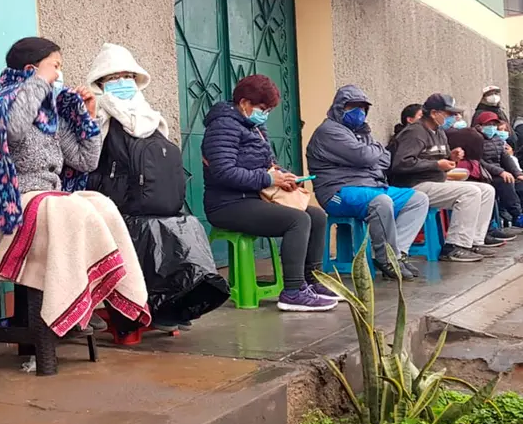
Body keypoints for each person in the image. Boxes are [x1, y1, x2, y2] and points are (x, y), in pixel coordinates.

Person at [0, 38, 151, 339]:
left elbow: (86, 162)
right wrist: (37, 85)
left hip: (45, 207)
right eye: (55, 66)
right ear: (31, 69)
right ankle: (69, 305)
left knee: (99, 204)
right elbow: (13, 128)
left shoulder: (52, 115)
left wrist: (86, 118)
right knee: (69, 208)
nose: (60, 73)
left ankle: (97, 300)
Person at [85, 43, 228, 333]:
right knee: (148, 233)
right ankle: (149, 308)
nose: (123, 82)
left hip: (152, 203)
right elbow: (89, 160)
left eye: (128, 76)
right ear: (100, 81)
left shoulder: (149, 115)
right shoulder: (96, 114)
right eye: (115, 77)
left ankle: (178, 302)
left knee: (187, 226)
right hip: (116, 202)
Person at [201, 75, 340, 312]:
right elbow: (224, 172)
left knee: (316, 216)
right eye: (262, 108)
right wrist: (268, 179)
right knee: (297, 220)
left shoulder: (255, 128)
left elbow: (268, 164)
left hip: (255, 197)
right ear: (244, 103)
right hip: (227, 205)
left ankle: (312, 281)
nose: (265, 114)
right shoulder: (222, 126)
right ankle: (293, 291)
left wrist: (285, 177)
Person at [306, 85, 429, 280]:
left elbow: (385, 158)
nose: (359, 112)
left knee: (418, 199)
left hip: (371, 187)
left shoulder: (362, 131)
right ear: (340, 107)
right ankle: (387, 259)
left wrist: (372, 154)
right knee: (381, 202)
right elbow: (364, 157)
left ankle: (398, 254)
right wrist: (373, 153)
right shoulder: (329, 131)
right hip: (337, 192)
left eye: (363, 107)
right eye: (353, 106)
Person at [389, 94, 500, 262]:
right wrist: (436, 165)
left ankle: (474, 241)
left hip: (436, 182)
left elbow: (440, 157)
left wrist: (452, 157)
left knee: (486, 190)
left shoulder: (439, 131)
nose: (452, 118)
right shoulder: (415, 132)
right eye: (448, 114)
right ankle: (455, 246)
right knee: (470, 193)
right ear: (434, 113)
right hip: (414, 185)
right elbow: (401, 163)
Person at [473, 110, 523, 229]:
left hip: (498, 172)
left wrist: (517, 173)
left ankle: (515, 214)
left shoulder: (496, 139)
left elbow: (505, 158)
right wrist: (500, 171)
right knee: (505, 182)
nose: (492, 128)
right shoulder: (475, 139)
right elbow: (479, 161)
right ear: (479, 126)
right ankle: (516, 215)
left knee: (519, 183)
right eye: (488, 125)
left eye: (494, 125)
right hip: (484, 173)